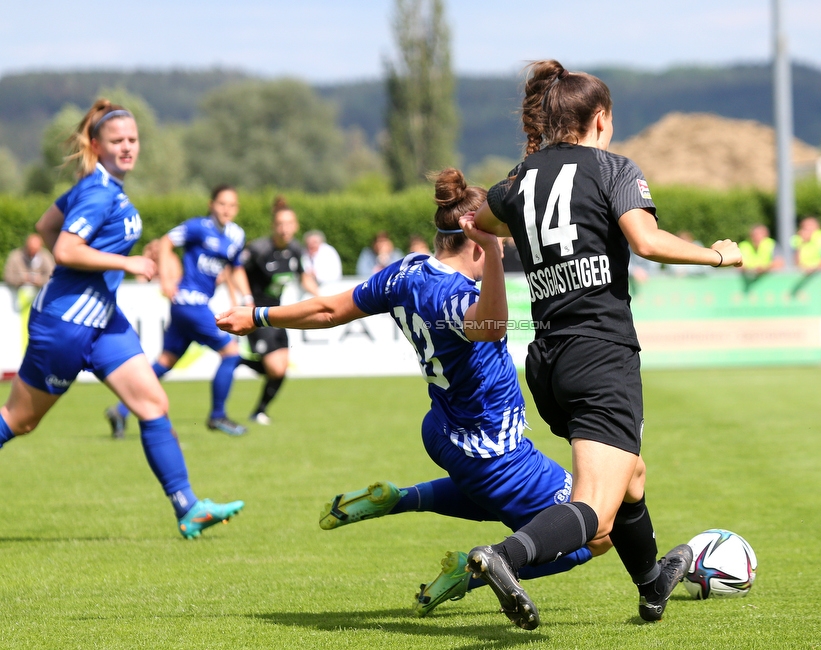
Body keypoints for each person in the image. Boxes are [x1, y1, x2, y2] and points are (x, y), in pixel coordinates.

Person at [217, 167, 613, 616]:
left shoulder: (406, 272)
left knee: (492, 501)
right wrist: (494, 251)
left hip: (443, 433)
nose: (501, 252)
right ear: (477, 240)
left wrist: (258, 315)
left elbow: (330, 310)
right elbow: (493, 326)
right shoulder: (458, 298)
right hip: (494, 451)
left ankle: (399, 498)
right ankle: (471, 570)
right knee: (595, 529)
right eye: (499, 244)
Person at [467, 60, 743, 629]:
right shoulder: (613, 168)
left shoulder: (520, 179)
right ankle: (505, 556)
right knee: (595, 510)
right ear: (599, 118)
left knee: (631, 476)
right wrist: (719, 255)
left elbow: (479, 222)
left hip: (547, 361)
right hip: (601, 352)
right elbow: (645, 240)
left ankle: (652, 586)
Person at [0, 99, 243, 538]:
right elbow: (64, 247)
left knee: (153, 405)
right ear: (97, 144)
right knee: (20, 421)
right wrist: (125, 264)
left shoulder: (99, 186)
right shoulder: (96, 191)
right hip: (65, 325)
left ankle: (188, 508)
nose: (128, 147)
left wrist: (100, 266)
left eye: (133, 139)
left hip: (103, 321)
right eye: (118, 141)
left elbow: (46, 224)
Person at [105, 185, 252, 438]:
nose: (226, 209)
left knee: (165, 362)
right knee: (231, 353)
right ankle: (217, 416)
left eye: (232, 205)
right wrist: (166, 280)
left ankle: (120, 411)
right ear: (211, 204)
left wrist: (247, 297)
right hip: (190, 303)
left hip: (190, 306)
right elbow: (166, 241)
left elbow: (235, 268)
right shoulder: (198, 227)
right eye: (221, 204)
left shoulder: (236, 235)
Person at [238, 195, 320, 424]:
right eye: (280, 224)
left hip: (278, 314)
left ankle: (259, 411)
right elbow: (234, 271)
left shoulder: (296, 250)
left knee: (281, 369)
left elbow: (304, 278)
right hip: (255, 313)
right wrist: (246, 300)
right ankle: (237, 359)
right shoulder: (258, 249)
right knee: (275, 367)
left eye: (289, 224)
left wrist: (321, 297)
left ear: (296, 226)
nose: (285, 229)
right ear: (273, 226)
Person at [4, 233, 56, 351]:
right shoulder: (15, 256)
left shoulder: (45, 256)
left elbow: (53, 276)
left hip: (42, 303)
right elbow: (8, 276)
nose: (33, 252)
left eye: (35, 250)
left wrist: (39, 281)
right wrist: (23, 280)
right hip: (18, 305)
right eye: (31, 249)